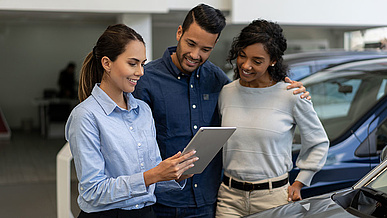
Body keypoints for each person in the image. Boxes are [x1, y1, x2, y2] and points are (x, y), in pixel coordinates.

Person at [133, 4, 310, 218]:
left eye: (206, 49)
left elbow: (252, 98)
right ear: (179, 32)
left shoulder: (218, 80)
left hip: (209, 203)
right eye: (191, 43)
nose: (195, 55)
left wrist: (288, 89)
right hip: (162, 204)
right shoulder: (145, 80)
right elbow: (133, 146)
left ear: (214, 45)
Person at [65, 24, 198, 218]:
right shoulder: (85, 116)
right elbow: (93, 192)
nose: (141, 72)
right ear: (107, 63)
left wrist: (175, 174)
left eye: (142, 64)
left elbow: (151, 178)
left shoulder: (143, 110)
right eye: (133, 63)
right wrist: (152, 175)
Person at [215, 19, 329, 217]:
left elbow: (318, 142)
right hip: (229, 199)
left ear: (273, 60)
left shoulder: (291, 95)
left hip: (273, 198)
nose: (246, 65)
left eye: (257, 61)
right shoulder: (226, 92)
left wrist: (301, 181)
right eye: (242, 56)